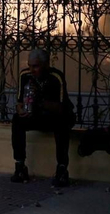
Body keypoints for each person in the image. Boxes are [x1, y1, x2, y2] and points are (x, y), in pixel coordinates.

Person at [11, 47, 73, 188]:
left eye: (36, 66)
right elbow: (19, 102)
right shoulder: (25, 76)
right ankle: (20, 166)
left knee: (62, 123)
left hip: (55, 116)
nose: (32, 70)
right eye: (30, 66)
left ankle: (62, 169)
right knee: (17, 120)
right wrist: (20, 110)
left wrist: (39, 100)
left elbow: (61, 108)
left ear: (45, 65)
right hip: (36, 116)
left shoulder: (56, 77)